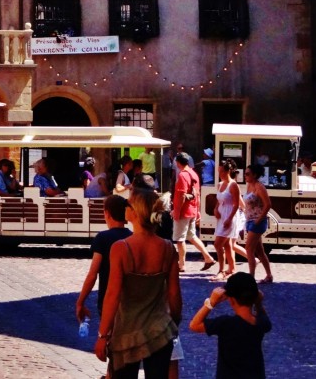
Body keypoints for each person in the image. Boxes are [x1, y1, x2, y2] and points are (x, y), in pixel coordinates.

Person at [95, 188, 181, 379]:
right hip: (159, 329)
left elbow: (112, 295)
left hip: (126, 332)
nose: (125, 206)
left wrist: (102, 335)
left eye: (128, 203)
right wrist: (174, 323)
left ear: (135, 212)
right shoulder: (167, 248)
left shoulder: (121, 248)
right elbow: (174, 294)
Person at [188, 272, 271, 379]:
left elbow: (194, 325)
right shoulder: (261, 322)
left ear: (231, 299)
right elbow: (265, 318)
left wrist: (211, 303)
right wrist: (258, 303)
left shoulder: (226, 324)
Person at [76, 194, 132, 326]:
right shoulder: (132, 237)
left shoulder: (102, 238)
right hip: (129, 301)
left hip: (108, 300)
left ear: (107, 213)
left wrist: (80, 302)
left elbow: (92, 275)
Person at [172, 152, 215, 272]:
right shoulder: (193, 173)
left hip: (183, 212)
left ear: (178, 162)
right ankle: (208, 257)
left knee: (180, 239)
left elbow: (181, 195)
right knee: (192, 236)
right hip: (192, 210)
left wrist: (176, 211)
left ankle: (181, 265)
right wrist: (198, 211)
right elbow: (197, 194)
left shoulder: (182, 175)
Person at [243, 165, 273, 284]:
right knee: (259, 251)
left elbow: (268, 204)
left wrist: (259, 219)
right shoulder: (249, 185)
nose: (245, 176)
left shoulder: (260, 187)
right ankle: (269, 275)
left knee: (249, 249)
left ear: (255, 175)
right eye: (245, 173)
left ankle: (251, 278)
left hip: (257, 222)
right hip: (250, 221)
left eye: (247, 174)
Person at [212, 158, 241, 279]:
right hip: (221, 215)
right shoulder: (220, 184)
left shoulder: (233, 185)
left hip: (229, 216)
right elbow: (219, 200)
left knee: (217, 244)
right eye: (219, 172)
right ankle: (232, 269)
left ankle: (221, 270)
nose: (220, 174)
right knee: (227, 244)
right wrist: (215, 209)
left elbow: (236, 204)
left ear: (228, 171)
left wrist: (229, 218)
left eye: (222, 172)